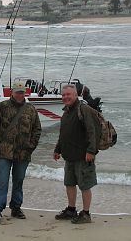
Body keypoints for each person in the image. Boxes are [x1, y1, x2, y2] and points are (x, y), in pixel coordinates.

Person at [0, 81, 42, 224]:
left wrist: (31, 146)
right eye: (17, 92)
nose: (19, 94)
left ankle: (16, 208)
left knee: (18, 181)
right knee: (2, 181)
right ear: (12, 92)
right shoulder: (2, 107)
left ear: (25, 93)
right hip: (4, 152)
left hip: (23, 153)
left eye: (22, 92)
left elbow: (37, 129)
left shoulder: (31, 109)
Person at [53, 84, 97, 224]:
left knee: (85, 185)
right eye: (63, 95)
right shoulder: (66, 112)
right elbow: (63, 134)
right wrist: (57, 149)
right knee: (69, 183)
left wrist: (91, 151)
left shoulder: (83, 109)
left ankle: (86, 213)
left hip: (83, 156)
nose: (65, 97)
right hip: (69, 156)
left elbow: (92, 131)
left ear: (75, 95)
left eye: (68, 95)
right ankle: (71, 210)